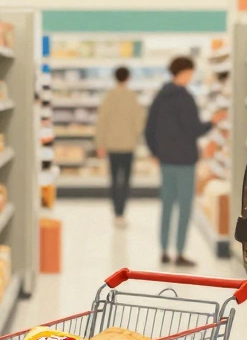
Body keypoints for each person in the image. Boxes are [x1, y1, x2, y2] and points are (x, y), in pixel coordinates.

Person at [144, 56, 224, 267]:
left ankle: (163, 250)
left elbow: (149, 128)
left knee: (167, 205)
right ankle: (179, 252)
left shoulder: (160, 96)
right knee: (185, 207)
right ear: (185, 72)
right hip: (185, 160)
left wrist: (154, 152)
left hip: (166, 159)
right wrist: (213, 122)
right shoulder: (186, 98)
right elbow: (194, 129)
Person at [94, 66, 145, 227]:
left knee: (114, 179)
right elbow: (139, 123)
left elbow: (101, 122)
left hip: (112, 145)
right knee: (126, 180)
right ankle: (122, 212)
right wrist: (138, 138)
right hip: (128, 145)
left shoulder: (109, 97)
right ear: (128, 78)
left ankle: (116, 212)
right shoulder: (132, 97)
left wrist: (100, 143)